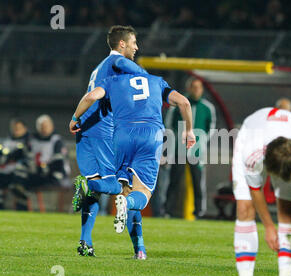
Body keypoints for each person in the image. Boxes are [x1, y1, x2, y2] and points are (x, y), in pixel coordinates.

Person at [69, 72, 195, 260]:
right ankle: (132, 223)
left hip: (122, 135)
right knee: (141, 193)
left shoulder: (112, 81)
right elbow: (184, 102)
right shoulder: (156, 81)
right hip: (151, 135)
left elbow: (90, 97)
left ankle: (92, 186)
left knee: (123, 187)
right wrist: (189, 131)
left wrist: (74, 118)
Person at [220, 106, 291, 276]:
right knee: (244, 208)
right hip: (251, 132)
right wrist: (269, 227)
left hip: (288, 133)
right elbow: (255, 191)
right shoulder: (252, 154)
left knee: (289, 213)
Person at [71, 25, 148, 257]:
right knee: (121, 187)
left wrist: (75, 117)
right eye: (133, 42)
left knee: (95, 189)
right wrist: (148, 80)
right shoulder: (117, 63)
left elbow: (90, 95)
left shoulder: (98, 67)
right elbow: (94, 95)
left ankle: (85, 242)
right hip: (104, 131)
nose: (137, 47)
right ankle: (140, 249)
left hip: (85, 130)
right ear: (121, 44)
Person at [164, 77, 216, 218]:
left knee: (197, 181)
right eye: (193, 87)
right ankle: (168, 210)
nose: (196, 90)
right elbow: (169, 125)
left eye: (199, 87)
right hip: (179, 149)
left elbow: (210, 128)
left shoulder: (207, 107)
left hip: (196, 151)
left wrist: (200, 142)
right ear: (188, 88)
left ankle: (199, 210)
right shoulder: (178, 105)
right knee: (174, 179)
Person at [12, 115, 69, 211]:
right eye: (41, 126)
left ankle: (22, 206)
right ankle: (22, 203)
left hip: (54, 175)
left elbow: (58, 162)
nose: (44, 129)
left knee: (26, 182)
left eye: (46, 126)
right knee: (20, 174)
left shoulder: (57, 141)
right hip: (37, 172)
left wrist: (44, 168)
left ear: (51, 126)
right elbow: (24, 155)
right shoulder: (32, 139)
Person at [0, 119, 31, 210]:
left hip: (19, 175)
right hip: (4, 171)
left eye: (18, 128)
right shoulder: (7, 141)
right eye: (14, 128)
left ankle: (19, 208)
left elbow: (26, 159)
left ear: (25, 129)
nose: (16, 130)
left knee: (18, 186)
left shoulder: (29, 142)